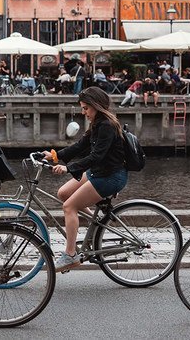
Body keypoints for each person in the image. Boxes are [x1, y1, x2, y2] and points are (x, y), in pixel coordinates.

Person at [41, 87, 127, 271]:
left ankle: (70, 255)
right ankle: (97, 224)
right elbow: (80, 146)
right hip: (99, 172)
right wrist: (55, 156)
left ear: (97, 106)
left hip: (111, 176)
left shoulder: (106, 126)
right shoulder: (97, 123)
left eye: (86, 108)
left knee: (69, 206)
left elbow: (96, 156)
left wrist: (68, 168)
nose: (83, 112)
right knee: (63, 193)